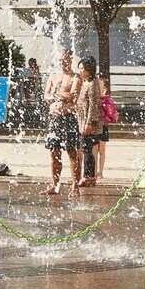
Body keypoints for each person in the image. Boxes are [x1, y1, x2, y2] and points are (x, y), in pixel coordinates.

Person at [43, 50, 81, 196]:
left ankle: (75, 186)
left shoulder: (75, 77)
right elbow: (46, 95)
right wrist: (59, 95)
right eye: (61, 60)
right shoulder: (53, 77)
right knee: (54, 152)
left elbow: (72, 95)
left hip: (68, 117)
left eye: (66, 60)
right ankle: (55, 185)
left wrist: (56, 95)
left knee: (71, 152)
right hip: (54, 118)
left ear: (70, 61)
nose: (63, 63)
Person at [76, 56, 103, 191]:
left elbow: (93, 105)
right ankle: (90, 176)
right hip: (84, 121)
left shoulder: (92, 84)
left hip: (89, 122)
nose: (80, 71)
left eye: (82, 68)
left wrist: (89, 122)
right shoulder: (86, 82)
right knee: (87, 148)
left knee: (87, 149)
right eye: (79, 68)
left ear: (89, 69)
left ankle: (88, 176)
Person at [96, 76, 116, 182]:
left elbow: (111, 113)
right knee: (94, 150)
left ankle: (101, 171)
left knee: (102, 150)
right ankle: (95, 171)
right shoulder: (95, 98)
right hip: (96, 125)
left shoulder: (107, 100)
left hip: (103, 126)